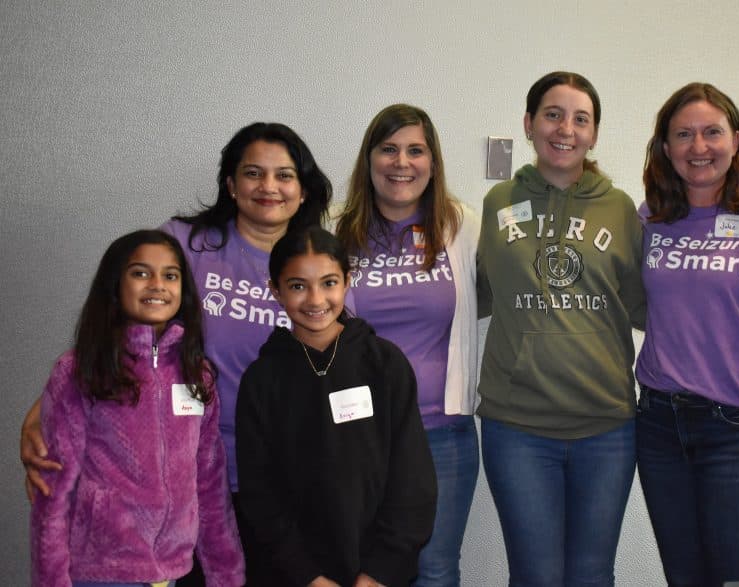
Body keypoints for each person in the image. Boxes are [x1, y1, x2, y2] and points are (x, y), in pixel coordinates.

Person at [22, 122, 333, 585]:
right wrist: (37, 418)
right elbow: (117, 334)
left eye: (284, 175)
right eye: (253, 173)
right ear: (231, 185)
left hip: (281, 478)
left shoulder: (320, 264)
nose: (269, 187)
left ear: (304, 190)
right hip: (187, 484)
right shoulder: (188, 244)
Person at [476, 71, 645, 586]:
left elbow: (644, 306)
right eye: (553, 115)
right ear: (529, 124)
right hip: (517, 426)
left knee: (593, 576)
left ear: (594, 134)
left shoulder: (621, 209)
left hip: (606, 426)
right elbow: (476, 293)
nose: (565, 129)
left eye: (580, 119)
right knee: (535, 576)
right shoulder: (498, 203)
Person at [636, 83, 739, 587]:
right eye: (683, 134)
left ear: (737, 140)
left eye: (712, 132)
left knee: (735, 580)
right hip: (659, 424)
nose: (698, 146)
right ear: (665, 147)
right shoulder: (648, 219)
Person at [30, 230, 244, 587]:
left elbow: (209, 481)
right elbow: (52, 491)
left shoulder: (197, 374)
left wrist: (226, 574)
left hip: (170, 568)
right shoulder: (81, 370)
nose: (157, 285)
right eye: (141, 273)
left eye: (170, 275)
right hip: (100, 569)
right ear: (115, 284)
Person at [235, 225, 437, 587]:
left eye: (328, 283)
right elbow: (260, 493)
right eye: (298, 286)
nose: (316, 299)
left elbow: (412, 477)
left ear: (347, 281)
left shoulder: (384, 363)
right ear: (275, 291)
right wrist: (307, 575)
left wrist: (380, 571)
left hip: (379, 572)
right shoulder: (262, 380)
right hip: (295, 575)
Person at [334, 104, 480, 587]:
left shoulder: (461, 226)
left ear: (433, 163)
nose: (402, 162)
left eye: (416, 150)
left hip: (442, 432)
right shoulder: (336, 230)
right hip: (357, 435)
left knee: (435, 571)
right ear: (369, 159)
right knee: (361, 570)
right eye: (389, 149)